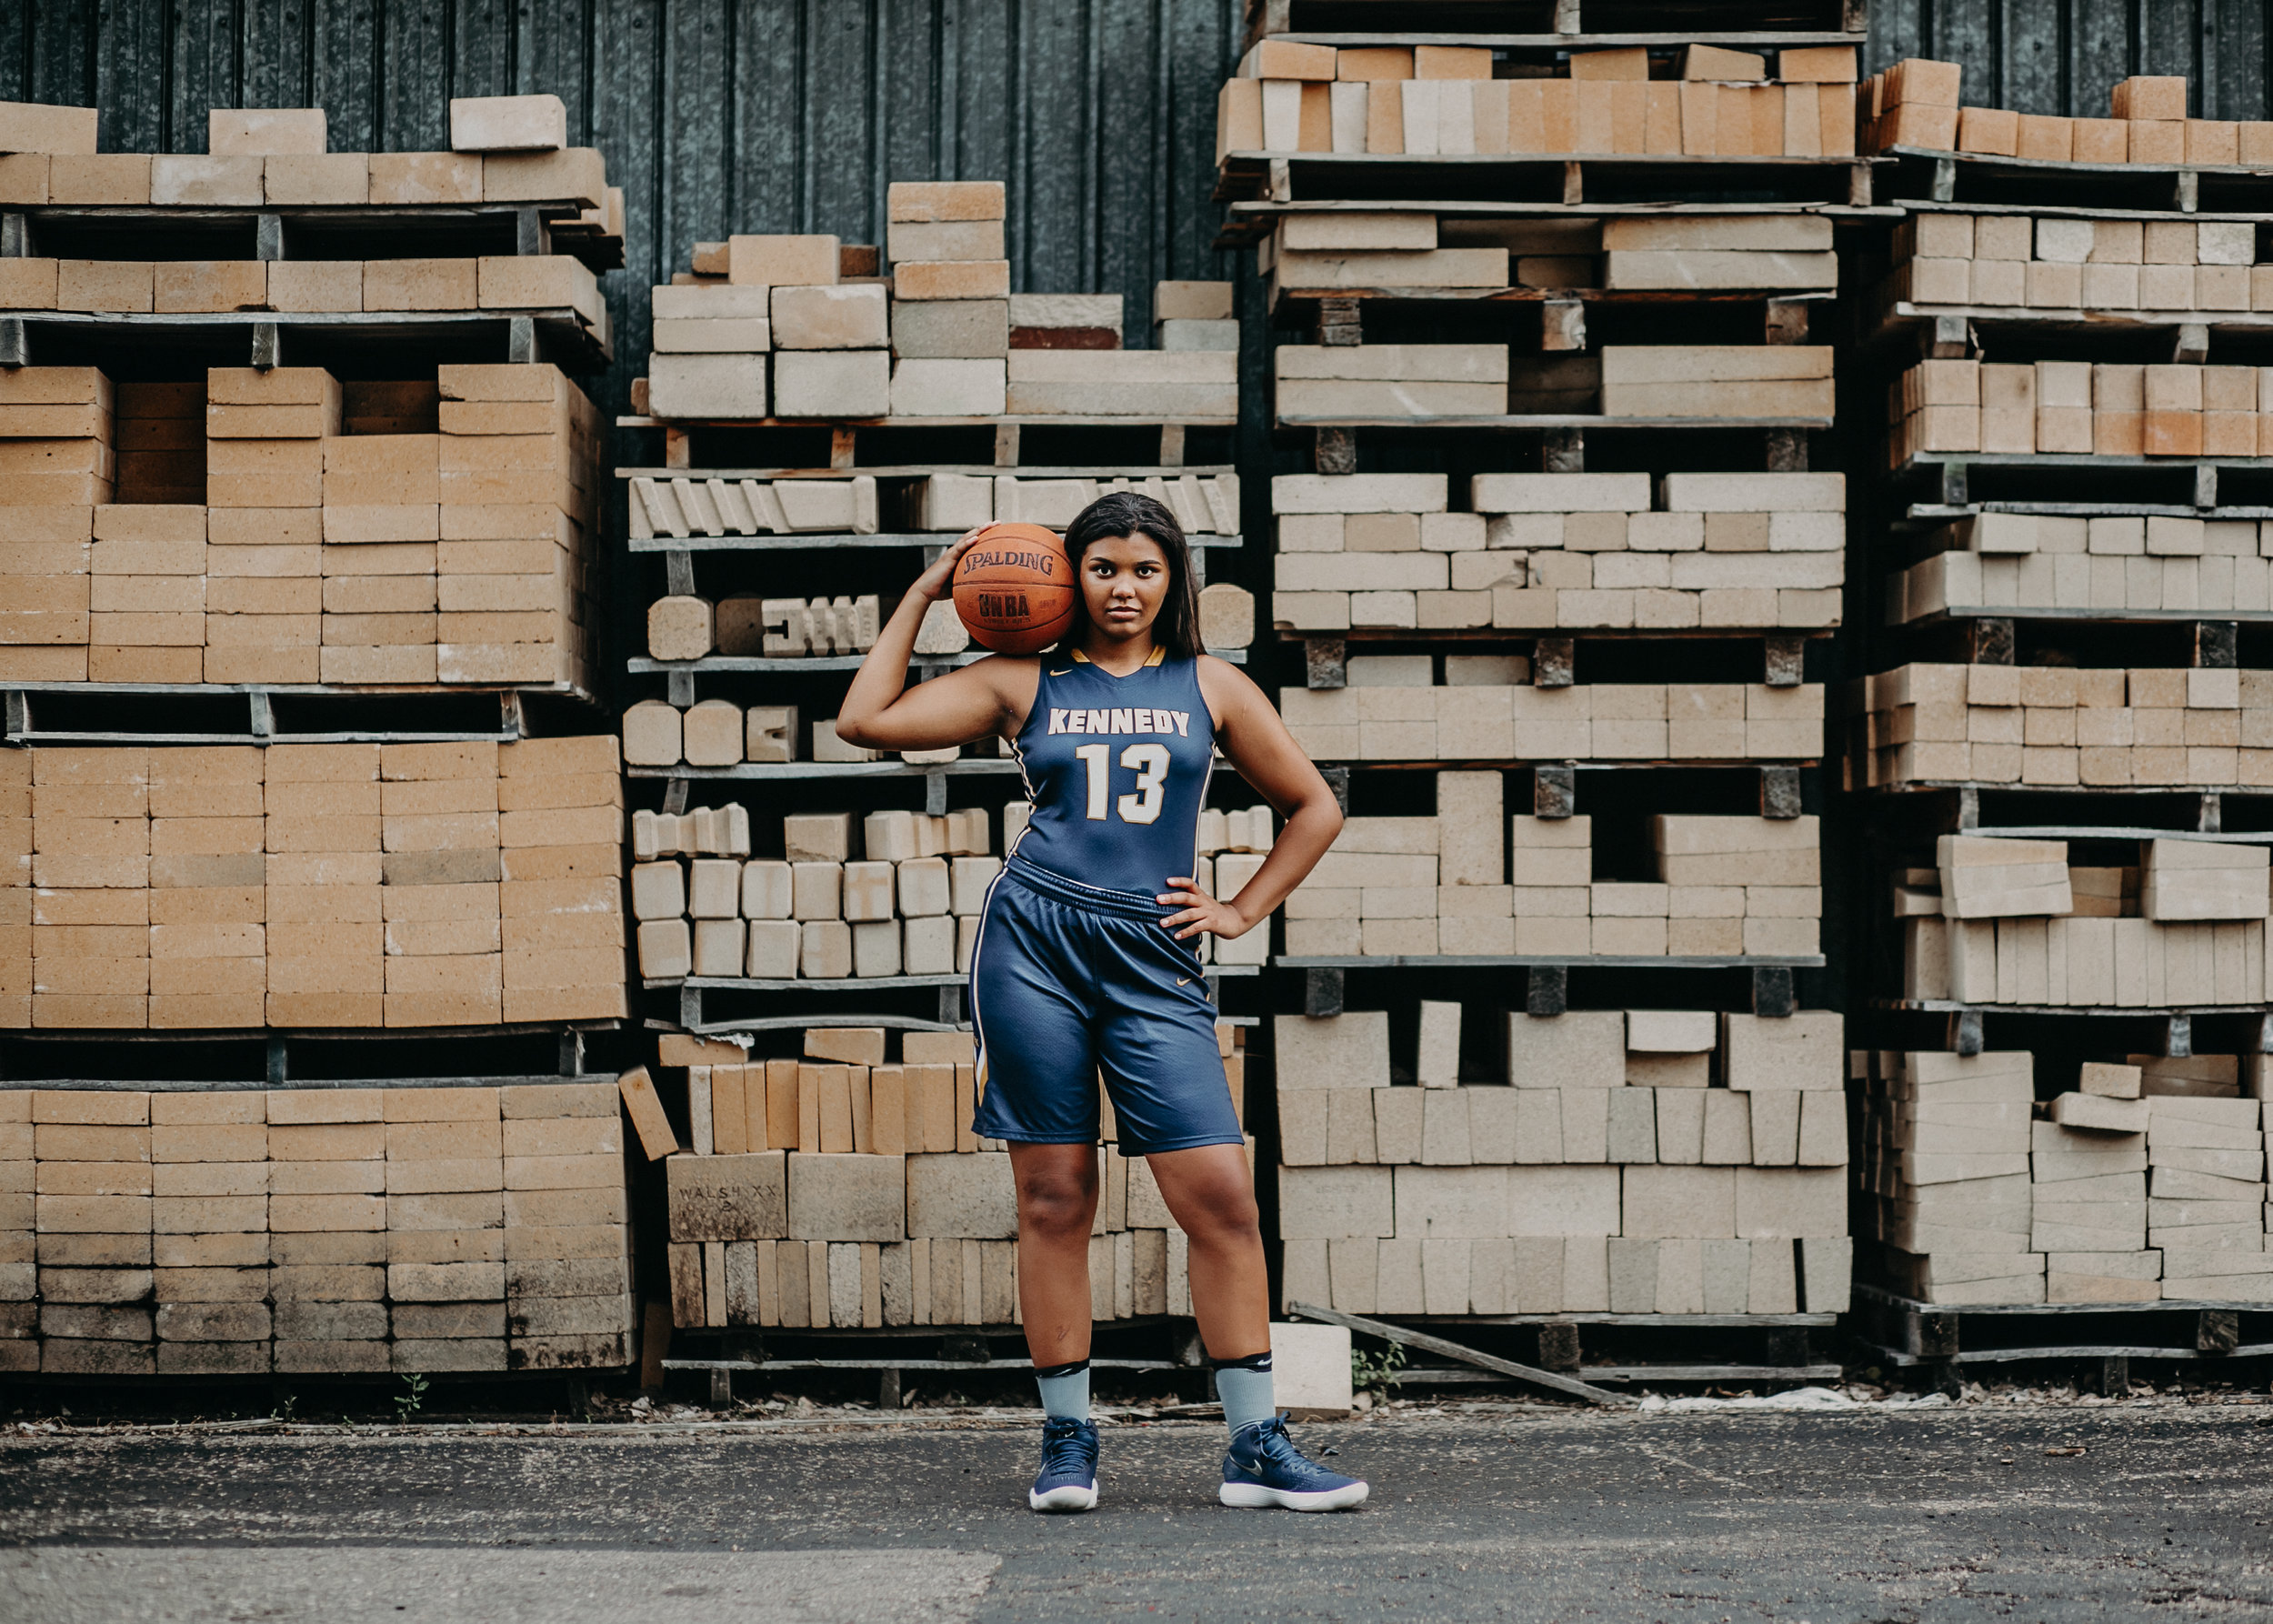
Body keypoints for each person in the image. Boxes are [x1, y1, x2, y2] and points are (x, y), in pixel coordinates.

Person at [836, 491, 1366, 1514]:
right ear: (1068, 577)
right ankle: (1068, 1440)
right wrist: (922, 591)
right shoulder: (1017, 680)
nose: (1124, 589)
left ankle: (1256, 1443)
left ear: (1174, 583)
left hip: (1152, 956)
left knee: (1218, 1194)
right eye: (1105, 568)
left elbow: (1315, 806)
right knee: (1054, 1197)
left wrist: (1244, 907)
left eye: (1146, 570)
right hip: (1033, 945)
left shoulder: (1211, 685)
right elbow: (867, 719)